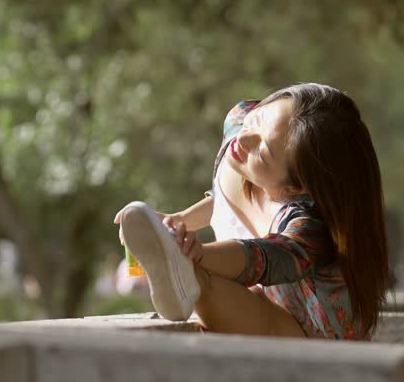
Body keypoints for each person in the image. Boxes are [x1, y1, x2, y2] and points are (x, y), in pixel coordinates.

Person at [114, 83, 390, 340]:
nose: (243, 140)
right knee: (203, 284)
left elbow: (262, 259)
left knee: (212, 290)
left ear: (295, 187)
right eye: (257, 121)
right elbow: (225, 202)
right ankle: (182, 276)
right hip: (263, 292)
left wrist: (195, 252)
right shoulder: (240, 124)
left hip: (308, 332)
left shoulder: (311, 226)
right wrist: (181, 220)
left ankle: (182, 269)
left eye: (263, 151)